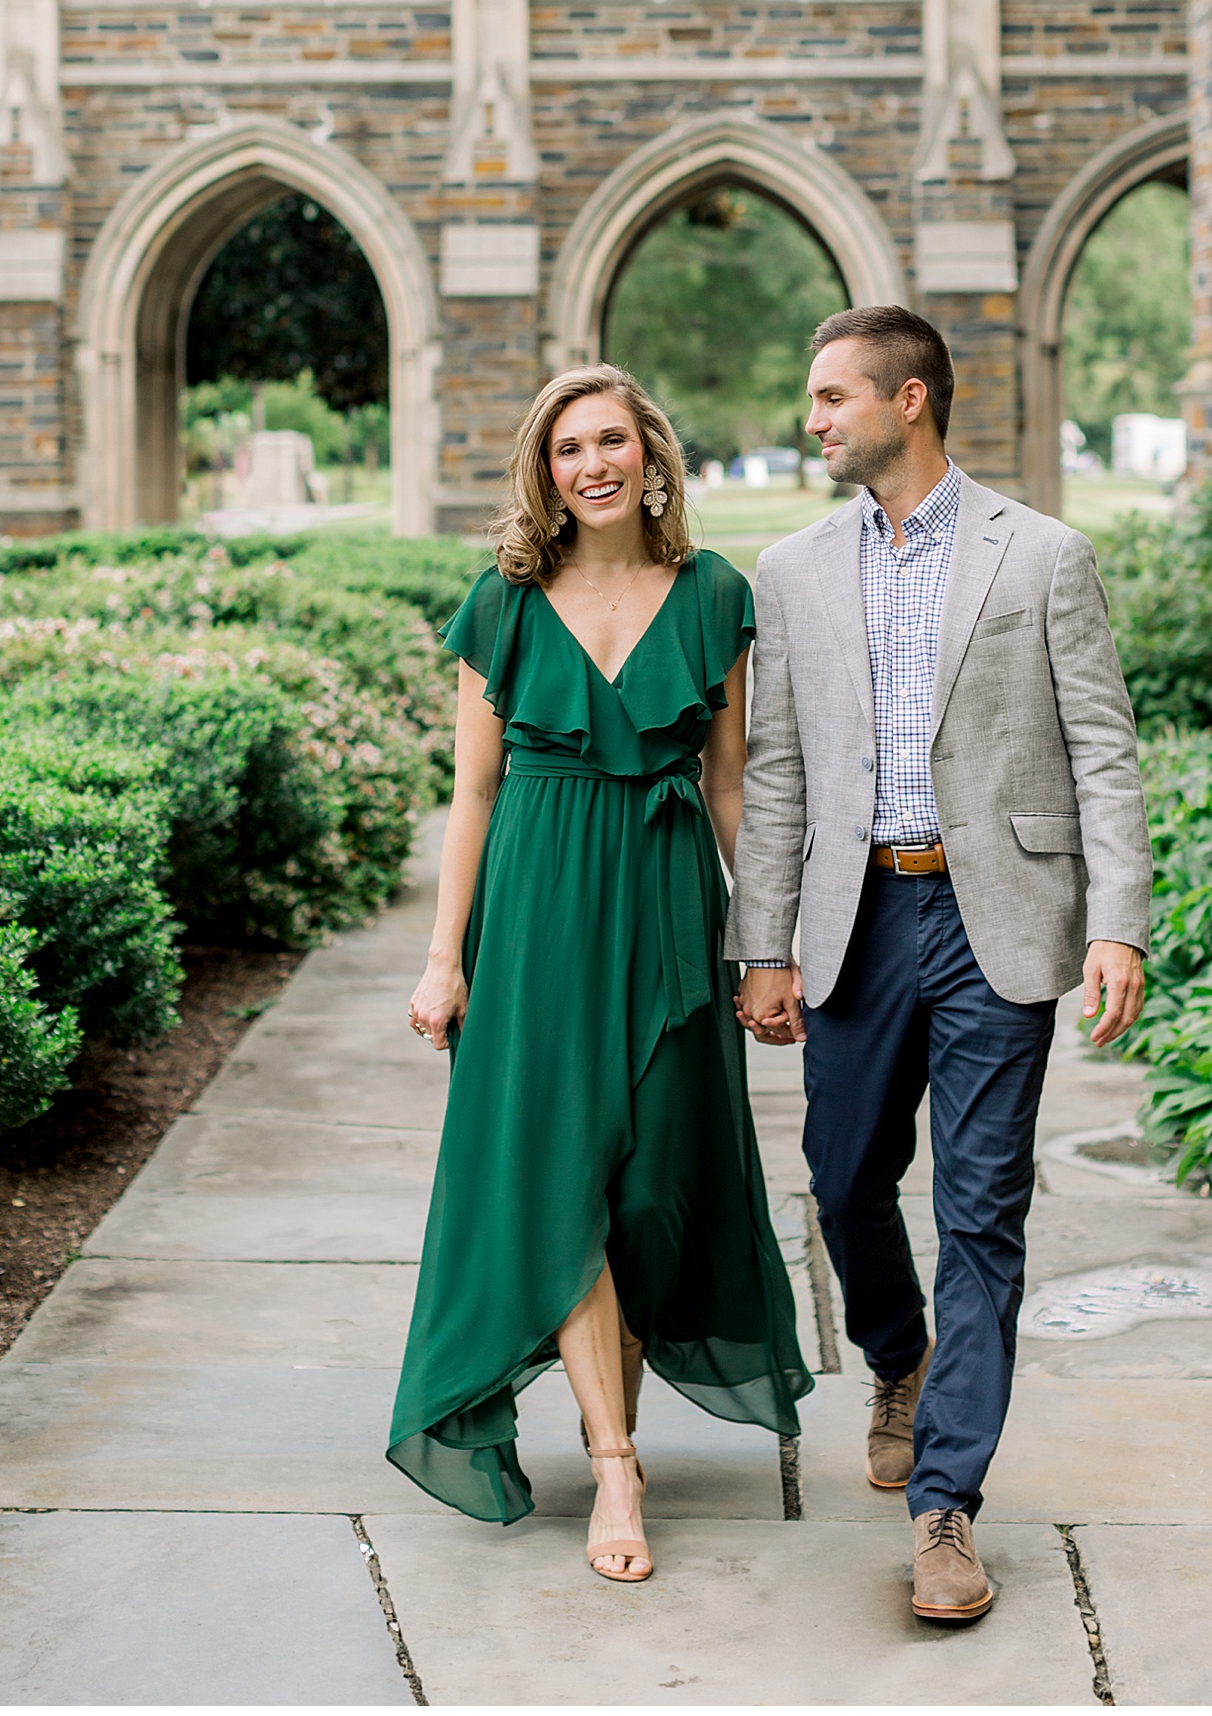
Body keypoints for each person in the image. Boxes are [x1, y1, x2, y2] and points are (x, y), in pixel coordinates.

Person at [727, 306, 1150, 1624]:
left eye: (831, 395)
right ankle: (896, 1355)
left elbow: (1102, 750)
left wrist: (1116, 918)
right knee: (845, 1180)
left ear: (911, 400)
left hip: (997, 920)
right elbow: (781, 771)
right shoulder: (789, 571)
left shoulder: (1043, 555)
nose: (813, 418)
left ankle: (946, 1506)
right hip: (859, 918)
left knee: (981, 1209)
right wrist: (764, 942)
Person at [388, 365, 812, 1583]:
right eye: (569, 446)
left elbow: (731, 781)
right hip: (535, 915)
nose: (593, 463)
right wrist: (441, 959)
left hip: (671, 904)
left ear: (651, 453)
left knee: (647, 1192)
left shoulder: (715, 591)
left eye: (612, 439)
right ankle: (616, 1460)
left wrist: (765, 941)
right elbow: (470, 794)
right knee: (564, 1177)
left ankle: (601, 1415)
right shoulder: (506, 602)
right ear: (545, 467)